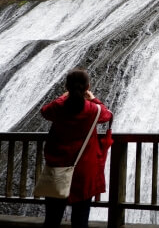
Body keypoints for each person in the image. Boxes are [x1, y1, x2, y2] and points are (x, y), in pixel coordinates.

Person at [40, 68, 112, 228]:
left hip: (58, 171)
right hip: (84, 173)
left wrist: (63, 96)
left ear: (67, 87)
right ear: (87, 87)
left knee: (51, 220)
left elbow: (45, 111)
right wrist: (93, 99)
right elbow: (107, 115)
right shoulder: (94, 110)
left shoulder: (59, 108)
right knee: (80, 221)